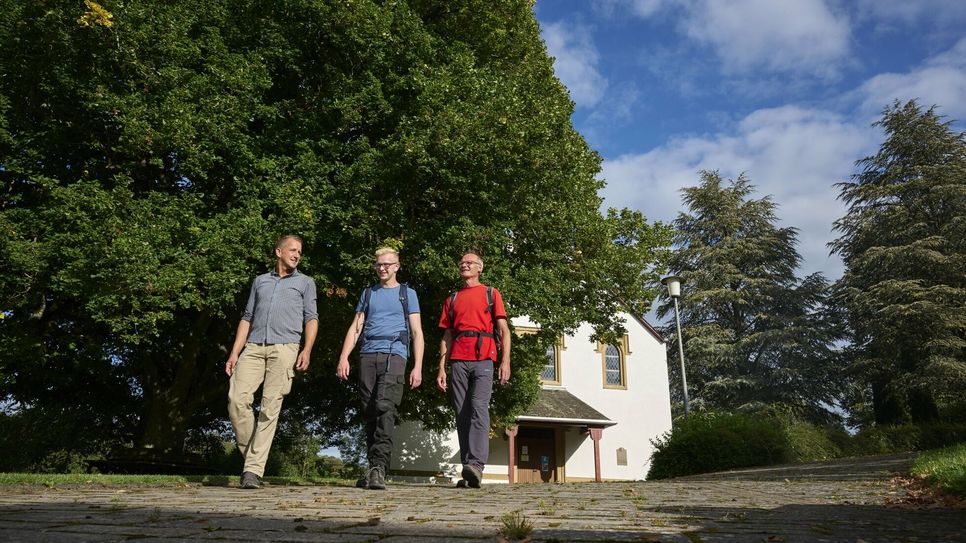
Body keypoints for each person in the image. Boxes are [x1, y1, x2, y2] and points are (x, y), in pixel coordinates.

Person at [225, 235, 318, 489]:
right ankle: (253, 461)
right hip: (253, 346)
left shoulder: (306, 283)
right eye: (292, 250)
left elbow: (311, 318)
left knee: (269, 409)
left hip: (286, 348)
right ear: (278, 251)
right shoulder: (260, 282)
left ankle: (252, 471)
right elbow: (247, 317)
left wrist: (307, 349)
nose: (297, 254)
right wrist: (235, 352)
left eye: (300, 251)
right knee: (236, 400)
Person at [337, 247, 424, 490]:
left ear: (397, 266)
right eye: (378, 265)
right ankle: (372, 467)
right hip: (367, 354)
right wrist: (344, 357)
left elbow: (417, 333)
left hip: (394, 354)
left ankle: (379, 467)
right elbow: (356, 327)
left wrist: (417, 366)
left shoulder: (407, 294)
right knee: (369, 409)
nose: (382, 268)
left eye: (387, 264)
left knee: (385, 405)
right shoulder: (368, 293)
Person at [436, 250, 511, 488]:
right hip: (458, 359)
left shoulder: (491, 293)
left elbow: (504, 331)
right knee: (462, 412)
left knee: (479, 408)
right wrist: (441, 367)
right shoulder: (453, 299)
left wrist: (505, 361)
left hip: (484, 359)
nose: (464, 265)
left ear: (480, 268)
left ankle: (476, 465)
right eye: (461, 262)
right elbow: (447, 335)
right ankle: (469, 467)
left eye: (469, 262)